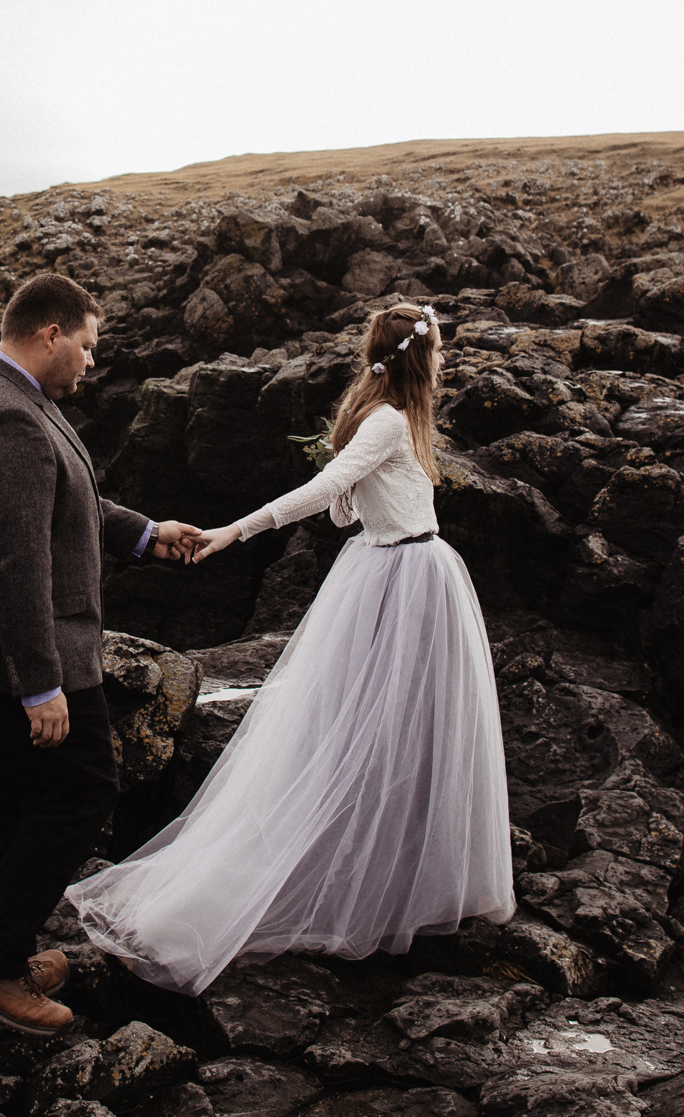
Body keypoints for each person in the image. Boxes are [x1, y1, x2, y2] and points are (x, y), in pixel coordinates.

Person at [62, 301, 513, 994]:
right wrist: (236, 531)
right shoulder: (391, 420)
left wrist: (354, 492)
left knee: (403, 733)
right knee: (378, 735)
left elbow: (350, 505)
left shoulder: (397, 419)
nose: (447, 358)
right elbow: (326, 491)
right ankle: (375, 883)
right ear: (421, 356)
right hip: (405, 582)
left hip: (404, 575)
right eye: (442, 348)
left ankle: (400, 876)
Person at [0, 272, 203, 1035]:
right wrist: (40, 685)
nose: (91, 364)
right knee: (81, 791)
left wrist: (144, 532)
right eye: (88, 347)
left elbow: (61, 502)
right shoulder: (8, 419)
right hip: (6, 657)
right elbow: (16, 565)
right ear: (50, 334)